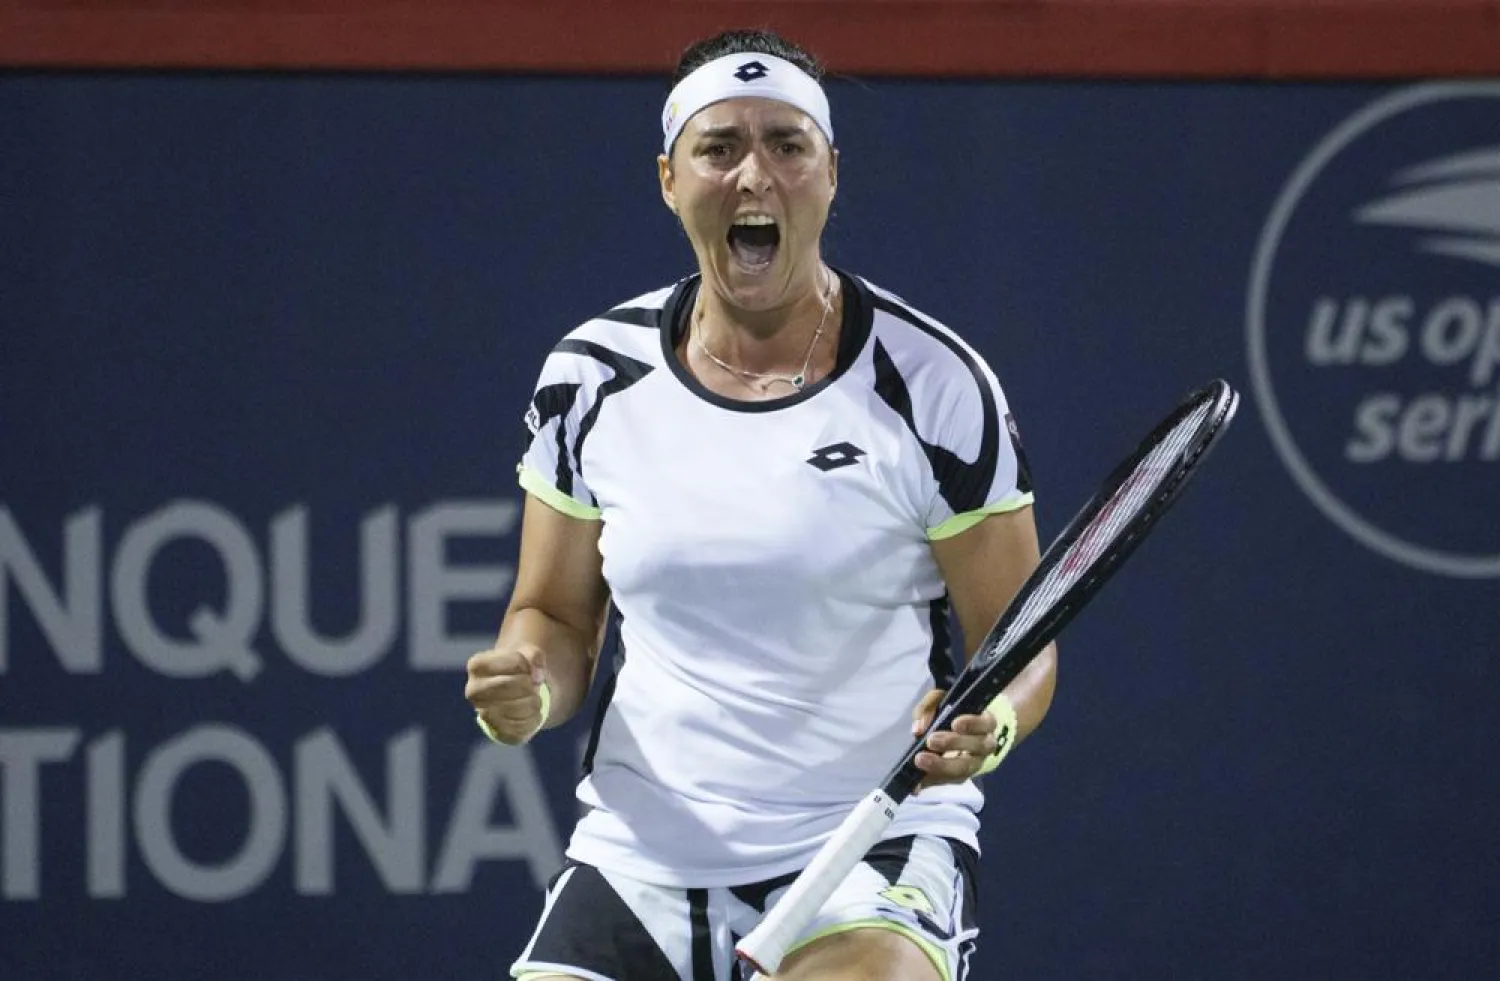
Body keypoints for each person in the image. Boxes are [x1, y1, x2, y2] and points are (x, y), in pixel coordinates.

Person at [465, 28, 1058, 981]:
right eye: (719, 147)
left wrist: (994, 726)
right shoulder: (590, 377)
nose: (755, 175)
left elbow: (1020, 643)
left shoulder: (935, 386)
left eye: (787, 144)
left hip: (867, 843)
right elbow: (555, 617)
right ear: (670, 180)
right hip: (640, 856)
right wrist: (530, 685)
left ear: (831, 174)